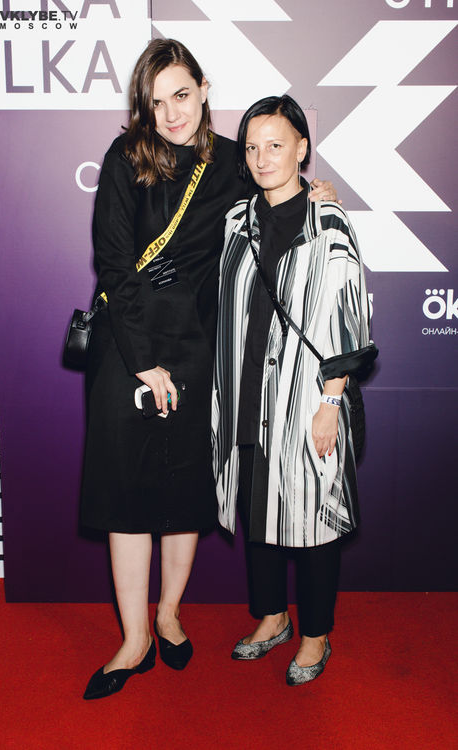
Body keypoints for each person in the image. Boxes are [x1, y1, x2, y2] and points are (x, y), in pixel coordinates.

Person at [80, 40, 336, 700]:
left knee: (183, 495)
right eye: (156, 101)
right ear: (142, 107)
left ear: (203, 89)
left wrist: (319, 197)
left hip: (198, 351)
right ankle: (134, 637)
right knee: (127, 500)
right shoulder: (124, 158)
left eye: (182, 95)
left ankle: (169, 615)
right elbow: (113, 265)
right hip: (127, 351)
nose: (171, 113)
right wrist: (143, 362)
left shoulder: (232, 162)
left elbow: (280, 199)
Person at [212, 95, 374, 685]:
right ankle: (272, 617)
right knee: (259, 516)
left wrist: (331, 401)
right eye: (252, 148)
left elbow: (348, 319)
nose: (262, 158)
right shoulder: (237, 220)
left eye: (275, 145)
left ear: (302, 148)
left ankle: (315, 635)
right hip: (246, 397)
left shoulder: (328, 221)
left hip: (305, 400)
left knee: (311, 524)